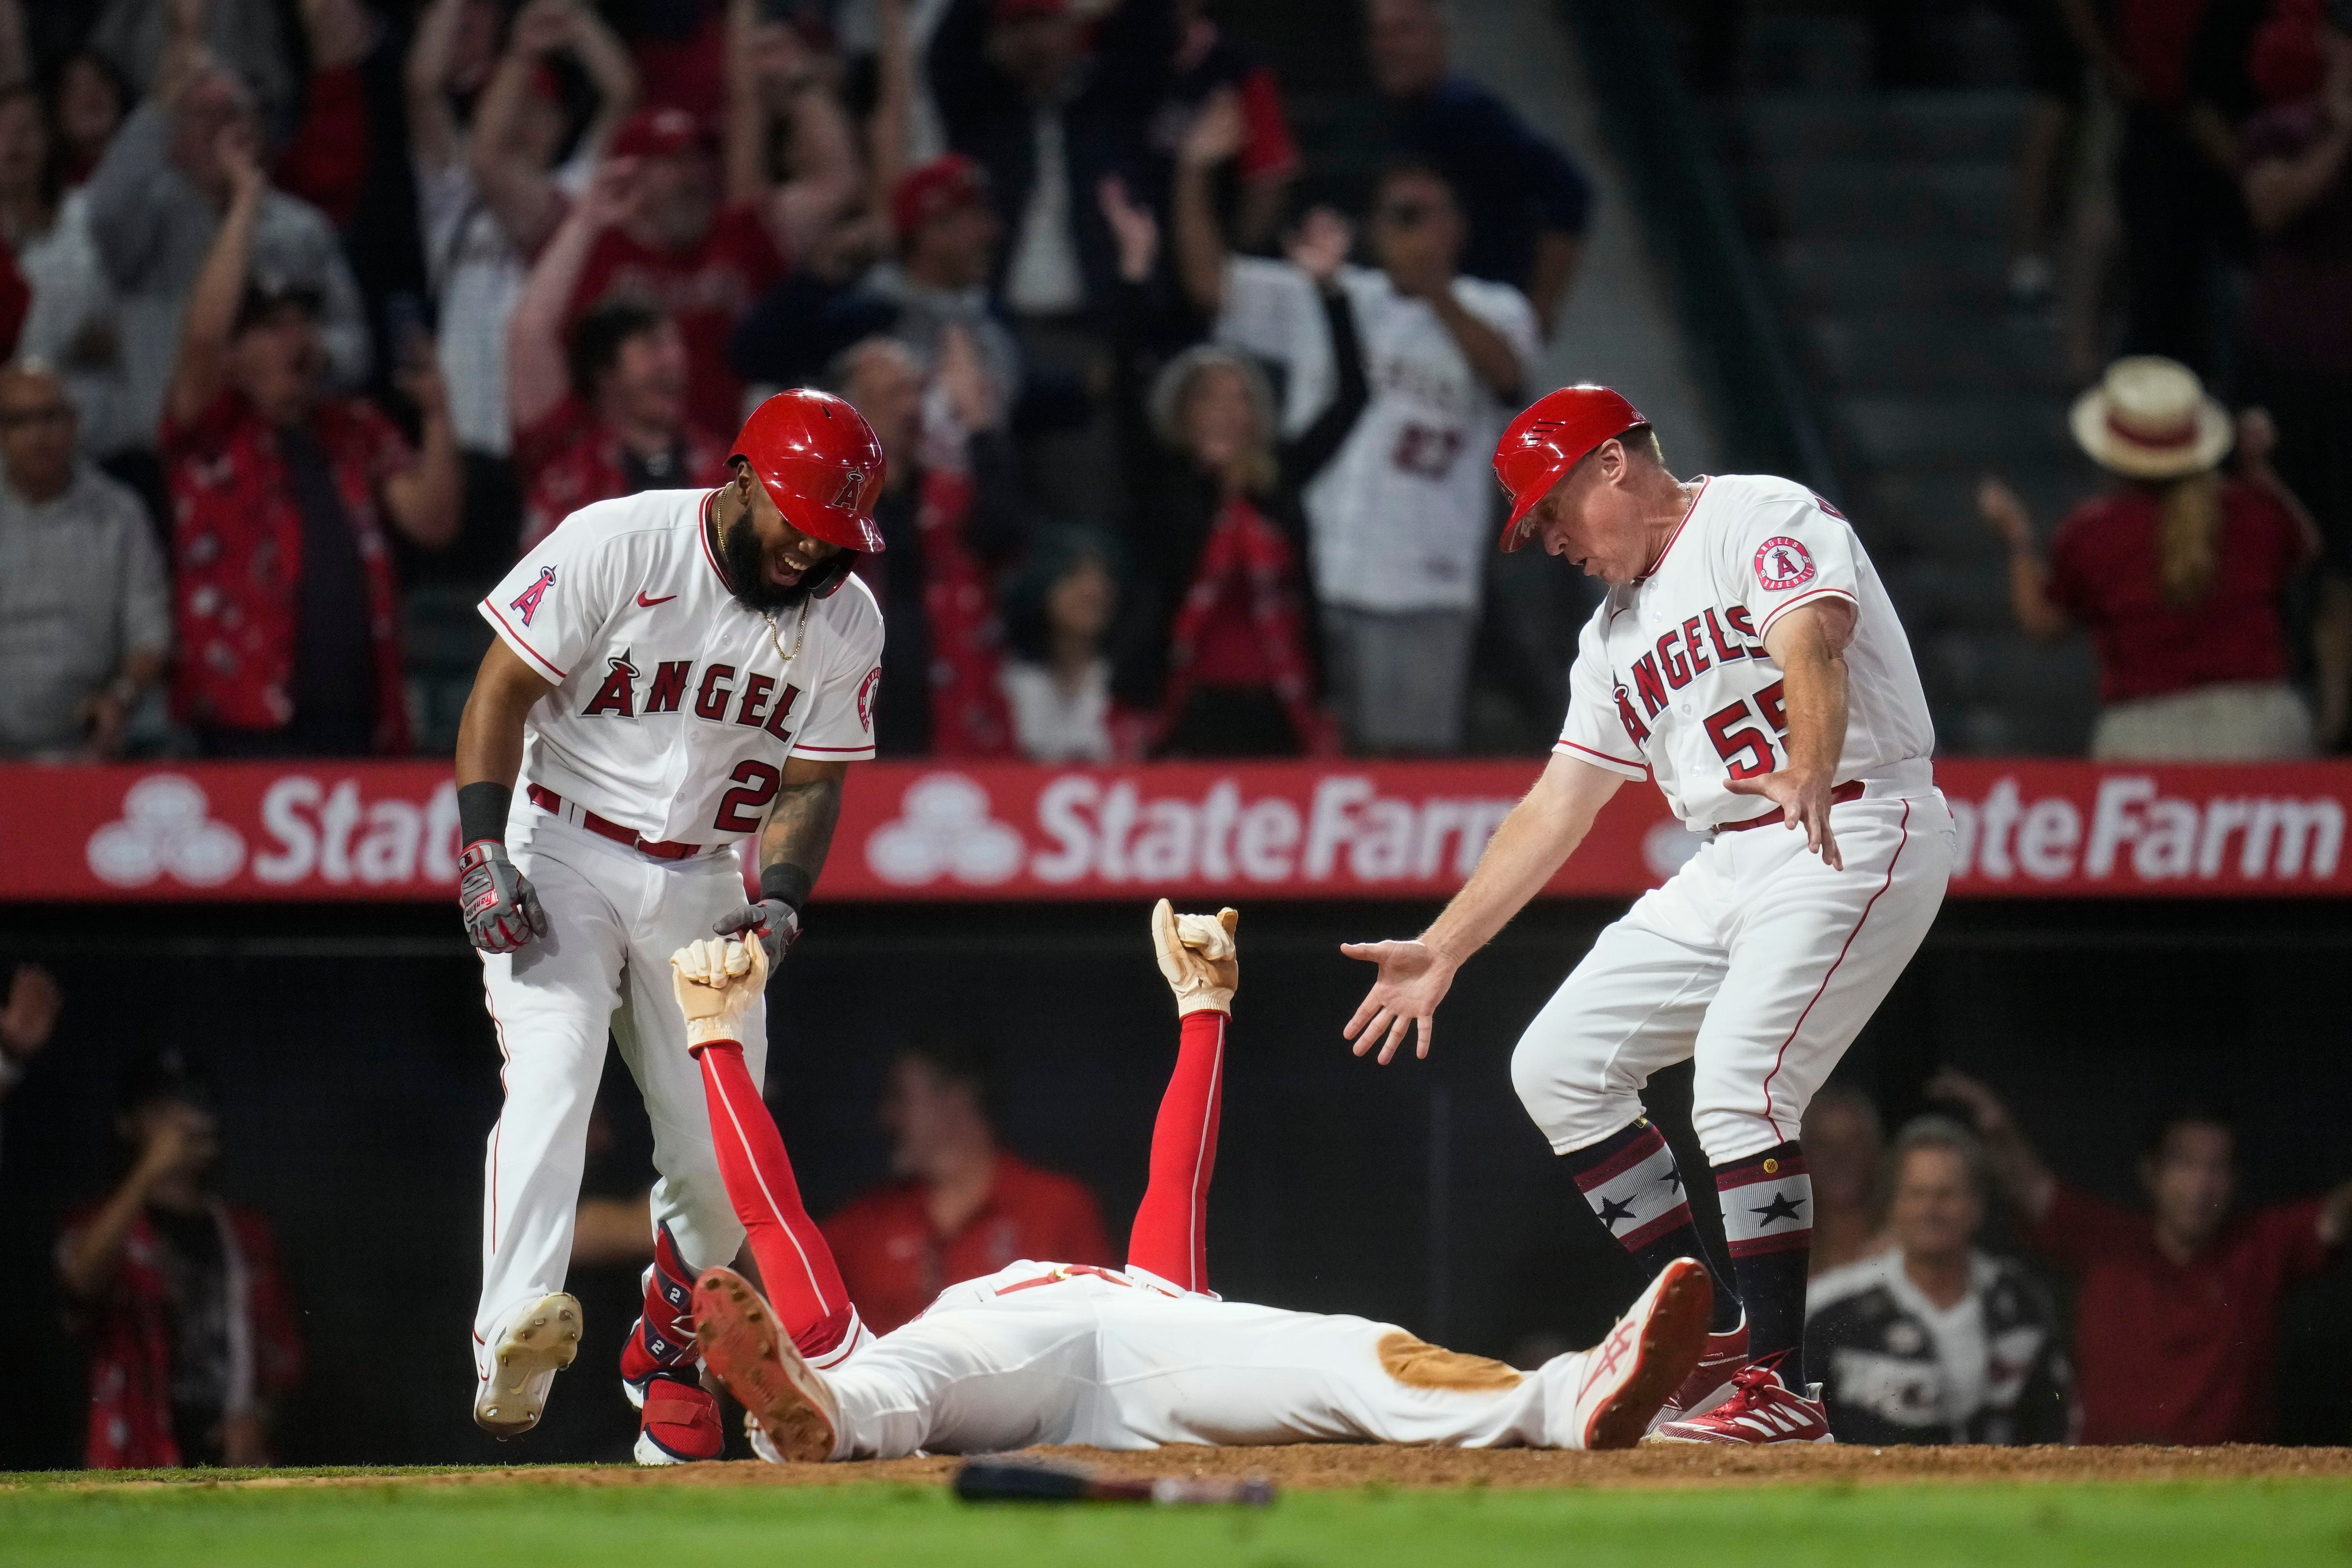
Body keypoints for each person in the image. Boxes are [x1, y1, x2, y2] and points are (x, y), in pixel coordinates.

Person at [1341, 385, 1954, 1447]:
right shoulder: (1612, 635)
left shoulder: (1756, 514)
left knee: (1738, 1086)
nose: (1548, 542)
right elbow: (1557, 805)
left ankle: (1781, 1386)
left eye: (1551, 512)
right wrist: (1443, 945)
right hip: (1731, 857)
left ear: (1612, 466)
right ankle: (1714, 1331)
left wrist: (1811, 754)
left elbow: (1810, 636)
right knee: (1558, 1067)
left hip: (1853, 818)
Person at [673, 902, 1714, 1462]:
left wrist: (1204, 1005)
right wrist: (712, 1039)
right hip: (985, 1340)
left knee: (1350, 1352)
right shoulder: (1011, 1296)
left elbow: (1175, 1192)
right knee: (878, 1382)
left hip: (1138, 1341)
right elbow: (776, 1218)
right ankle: (808, 1414)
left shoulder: (1145, 1289)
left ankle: (1568, 1398)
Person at [453, 388, 888, 1466]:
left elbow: (811, 783)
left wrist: (782, 896)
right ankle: (512, 1334)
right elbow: (500, 691)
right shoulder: (620, 539)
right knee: (553, 1070)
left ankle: (663, 1347)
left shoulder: (846, 615)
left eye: (836, 534)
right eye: (799, 520)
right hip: (561, 841)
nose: (811, 550)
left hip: (701, 872)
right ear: (744, 477)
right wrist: (482, 850)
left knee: (715, 1156)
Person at [1176, 100, 1538, 755]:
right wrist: (1194, 173)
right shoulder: (1334, 293)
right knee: (1311, 768)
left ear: (1455, 226)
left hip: (1421, 587)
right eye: (1391, 215)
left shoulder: (1494, 307)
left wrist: (1435, 290)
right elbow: (1211, 285)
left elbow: (1509, 378)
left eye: (1418, 214)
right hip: (1315, 578)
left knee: (1410, 772)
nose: (1401, 230)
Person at [163, 132, 460, 756]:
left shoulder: (355, 428)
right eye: (272, 328)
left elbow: (432, 521)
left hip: (358, 719)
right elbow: (204, 338)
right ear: (238, 357)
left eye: (305, 323)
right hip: (245, 720)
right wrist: (247, 200)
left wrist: (436, 415)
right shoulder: (210, 430)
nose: (296, 339)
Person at [1931, 1067, 2352, 1446]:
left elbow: (2335, 1216)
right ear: (2152, 1173)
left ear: (2235, 1181)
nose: (2202, 1185)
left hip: (2230, 1490)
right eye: (2186, 1165)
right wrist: (1998, 1126)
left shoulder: (2261, 1246)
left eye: (2217, 1168)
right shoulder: (2107, 1241)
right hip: (2108, 1486)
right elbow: (2031, 1188)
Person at [1110, 178, 1358, 756]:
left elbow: (1352, 398)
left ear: (1257, 414)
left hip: (1281, 711)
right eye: (1207, 398)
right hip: (1179, 711)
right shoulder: (1159, 480)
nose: (1223, 412)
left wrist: (1330, 293)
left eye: (1237, 397)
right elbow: (1123, 388)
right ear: (1182, 413)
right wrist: (1133, 275)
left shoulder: (1282, 477)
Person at [1978, 355, 2320, 760]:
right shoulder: (2253, 509)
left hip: (2145, 740)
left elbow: (2043, 623)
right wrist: (2258, 468)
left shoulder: (2093, 532)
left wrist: (2017, 539)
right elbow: (2307, 547)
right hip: (2263, 732)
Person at [84, 9, 369, 477]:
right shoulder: (149, 216)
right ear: (173, 137)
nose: (220, 127)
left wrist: (319, 353)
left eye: (232, 113)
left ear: (257, 131)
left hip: (282, 453)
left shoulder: (302, 229)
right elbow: (104, 219)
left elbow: (354, 340)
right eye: (202, 115)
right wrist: (157, 107)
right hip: (167, 455)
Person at [559, 0, 861, 438]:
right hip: (624, 473)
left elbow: (836, 181)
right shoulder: (594, 248)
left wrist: (799, 82)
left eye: (698, 160)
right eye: (673, 163)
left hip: (726, 473)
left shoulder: (741, 233)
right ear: (633, 174)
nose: (693, 175)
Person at [412, 0, 638, 464]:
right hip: (461, 424)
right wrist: (521, 53)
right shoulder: (454, 187)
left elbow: (623, 90)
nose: (521, 121)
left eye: (538, 109)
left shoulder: (579, 188)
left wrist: (575, 18)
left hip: (545, 416)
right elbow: (422, 87)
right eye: (513, 104)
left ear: (560, 124)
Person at [56, 1046, 303, 1469]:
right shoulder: (99, 1223)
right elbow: (80, 1281)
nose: (181, 1125)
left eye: (192, 1107)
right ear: (129, 1123)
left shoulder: (245, 1232)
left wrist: (259, 1418)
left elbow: (283, 1354)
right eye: (162, 1111)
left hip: (230, 1461)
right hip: (133, 1454)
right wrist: (149, 1170)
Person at [1805, 1116, 2075, 1446]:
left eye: (1946, 1194)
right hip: (1875, 1493)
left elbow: (2059, 1422)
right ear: (1892, 1205)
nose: (1930, 1209)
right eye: (1917, 1193)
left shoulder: (2020, 1299)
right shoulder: (1829, 1305)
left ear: (1977, 1205)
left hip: (2004, 1492)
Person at [507, 159, 731, 554]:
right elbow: (529, 332)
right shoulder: (568, 454)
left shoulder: (723, 472)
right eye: (652, 347)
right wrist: (585, 222)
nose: (674, 361)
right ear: (604, 373)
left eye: (676, 347)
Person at [824, 1038, 1110, 1335]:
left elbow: (1103, 1330)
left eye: (901, 1098)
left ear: (956, 1100)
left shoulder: (1055, 1208)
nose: (887, 1117)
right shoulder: (865, 1223)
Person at [2239, 1, 2352, 745]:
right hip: (2288, 375)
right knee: (2273, 551)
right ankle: (2277, 715)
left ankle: (2338, 726)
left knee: (2345, 563)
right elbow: (2269, 207)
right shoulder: (2281, 129)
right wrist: (2342, 133)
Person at [834, 330, 1029, 756]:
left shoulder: (948, 495)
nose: (909, 408)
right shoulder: (824, 505)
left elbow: (1007, 537)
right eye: (891, 395)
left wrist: (977, 421)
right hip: (850, 726)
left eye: (915, 393)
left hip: (952, 719)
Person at [1362, 0, 1591, 335]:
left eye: (1404, 31)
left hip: (1481, 319)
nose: (1389, 47)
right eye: (1379, 34)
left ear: (1440, 36)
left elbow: (1569, 192)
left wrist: (1539, 313)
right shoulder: (1401, 117)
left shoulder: (1468, 113)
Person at [0, 363, 169, 759]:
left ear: (75, 424)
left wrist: (121, 696)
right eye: (21, 421)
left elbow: (151, 633)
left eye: (51, 417)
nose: (39, 435)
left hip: (88, 746)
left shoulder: (120, 513)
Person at [0, 83, 131, 456]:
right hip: (16, 458)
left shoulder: (92, 215)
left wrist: (119, 331)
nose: (13, 144)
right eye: (2, 131)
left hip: (103, 437)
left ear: (50, 139)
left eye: (26, 129)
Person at [999, 526, 1123, 762]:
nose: (1094, 591)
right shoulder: (1006, 681)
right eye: (1074, 576)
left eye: (1103, 578)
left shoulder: (1129, 683)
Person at [1802, 1084, 1890, 1276]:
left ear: (1874, 1152)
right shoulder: (1784, 1253)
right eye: (1822, 1146)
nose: (1838, 1158)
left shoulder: (1904, 1248)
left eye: (1853, 1143)